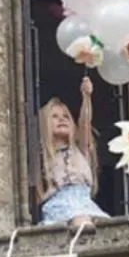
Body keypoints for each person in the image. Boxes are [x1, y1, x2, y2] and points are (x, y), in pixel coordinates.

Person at [37, 77, 109, 227]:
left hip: (83, 202)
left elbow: (85, 122)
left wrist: (86, 97)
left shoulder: (80, 150)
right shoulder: (45, 155)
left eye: (66, 117)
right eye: (54, 117)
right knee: (82, 223)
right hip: (59, 204)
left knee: (101, 227)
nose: (61, 119)